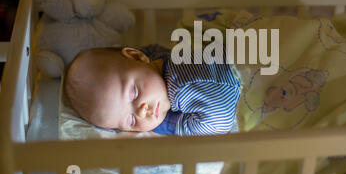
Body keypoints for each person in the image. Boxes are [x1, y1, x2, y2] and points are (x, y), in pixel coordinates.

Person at [63, 44, 241, 136]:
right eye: (131, 121)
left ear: (136, 56)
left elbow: (222, 119)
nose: (142, 111)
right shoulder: (162, 60)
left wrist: (171, 125)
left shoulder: (181, 88)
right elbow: (152, 49)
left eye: (134, 93)